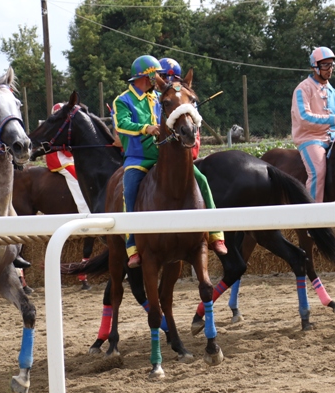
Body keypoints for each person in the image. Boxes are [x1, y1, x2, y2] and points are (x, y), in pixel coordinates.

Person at [113, 55, 227, 268]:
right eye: (155, 76)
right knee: (130, 190)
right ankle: (132, 245)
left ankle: (215, 233)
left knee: (201, 179)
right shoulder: (122, 100)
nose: (159, 79)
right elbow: (121, 124)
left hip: (163, 157)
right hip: (138, 159)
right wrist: (146, 128)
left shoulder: (160, 96)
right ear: (145, 76)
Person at [291, 46, 335, 203]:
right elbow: (304, 118)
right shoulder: (302, 89)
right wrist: (333, 119)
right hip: (310, 139)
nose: (329, 69)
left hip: (333, 140)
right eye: (325, 65)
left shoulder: (334, 93)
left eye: (331, 65)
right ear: (315, 67)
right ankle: (312, 214)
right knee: (317, 172)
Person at [47, 102, 93, 289]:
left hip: (67, 157)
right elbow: (64, 148)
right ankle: (85, 211)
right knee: (76, 175)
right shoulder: (55, 127)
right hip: (58, 159)